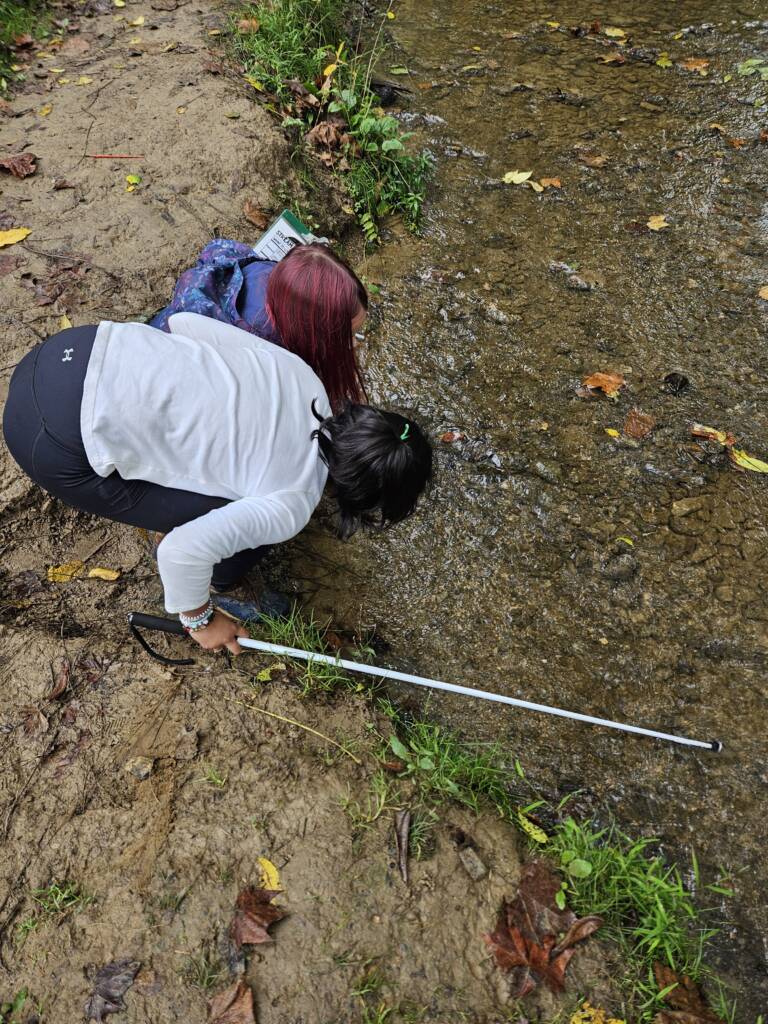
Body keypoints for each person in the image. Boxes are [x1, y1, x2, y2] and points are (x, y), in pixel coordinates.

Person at [2, 313, 432, 655]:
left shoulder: (306, 379)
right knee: (226, 535)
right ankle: (223, 582)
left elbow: (187, 323)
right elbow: (180, 552)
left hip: (72, 351)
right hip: (46, 441)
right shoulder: (292, 504)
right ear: (362, 495)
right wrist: (202, 622)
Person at [151, 240, 367, 413]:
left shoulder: (275, 276)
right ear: (308, 328)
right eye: (343, 336)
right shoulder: (263, 346)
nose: (353, 344)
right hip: (166, 389)